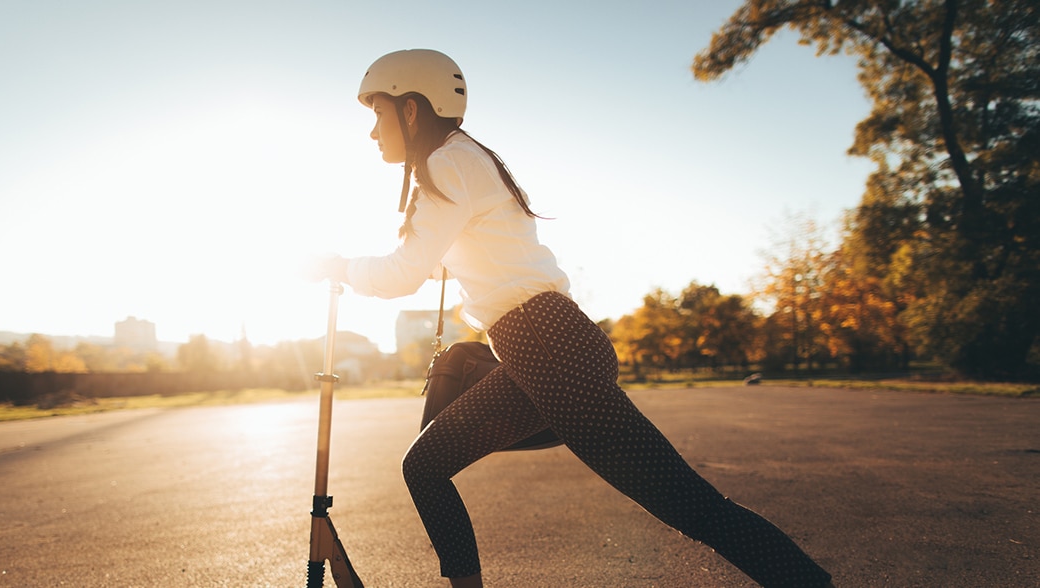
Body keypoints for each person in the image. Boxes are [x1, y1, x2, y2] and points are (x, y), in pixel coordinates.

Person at [311, 48, 833, 588]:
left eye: (377, 113)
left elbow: (401, 274)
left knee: (693, 507)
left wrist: (339, 266)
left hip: (549, 351)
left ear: (411, 110)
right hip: (540, 350)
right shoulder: (465, 160)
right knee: (424, 466)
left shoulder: (445, 166)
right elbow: (435, 264)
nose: (373, 132)